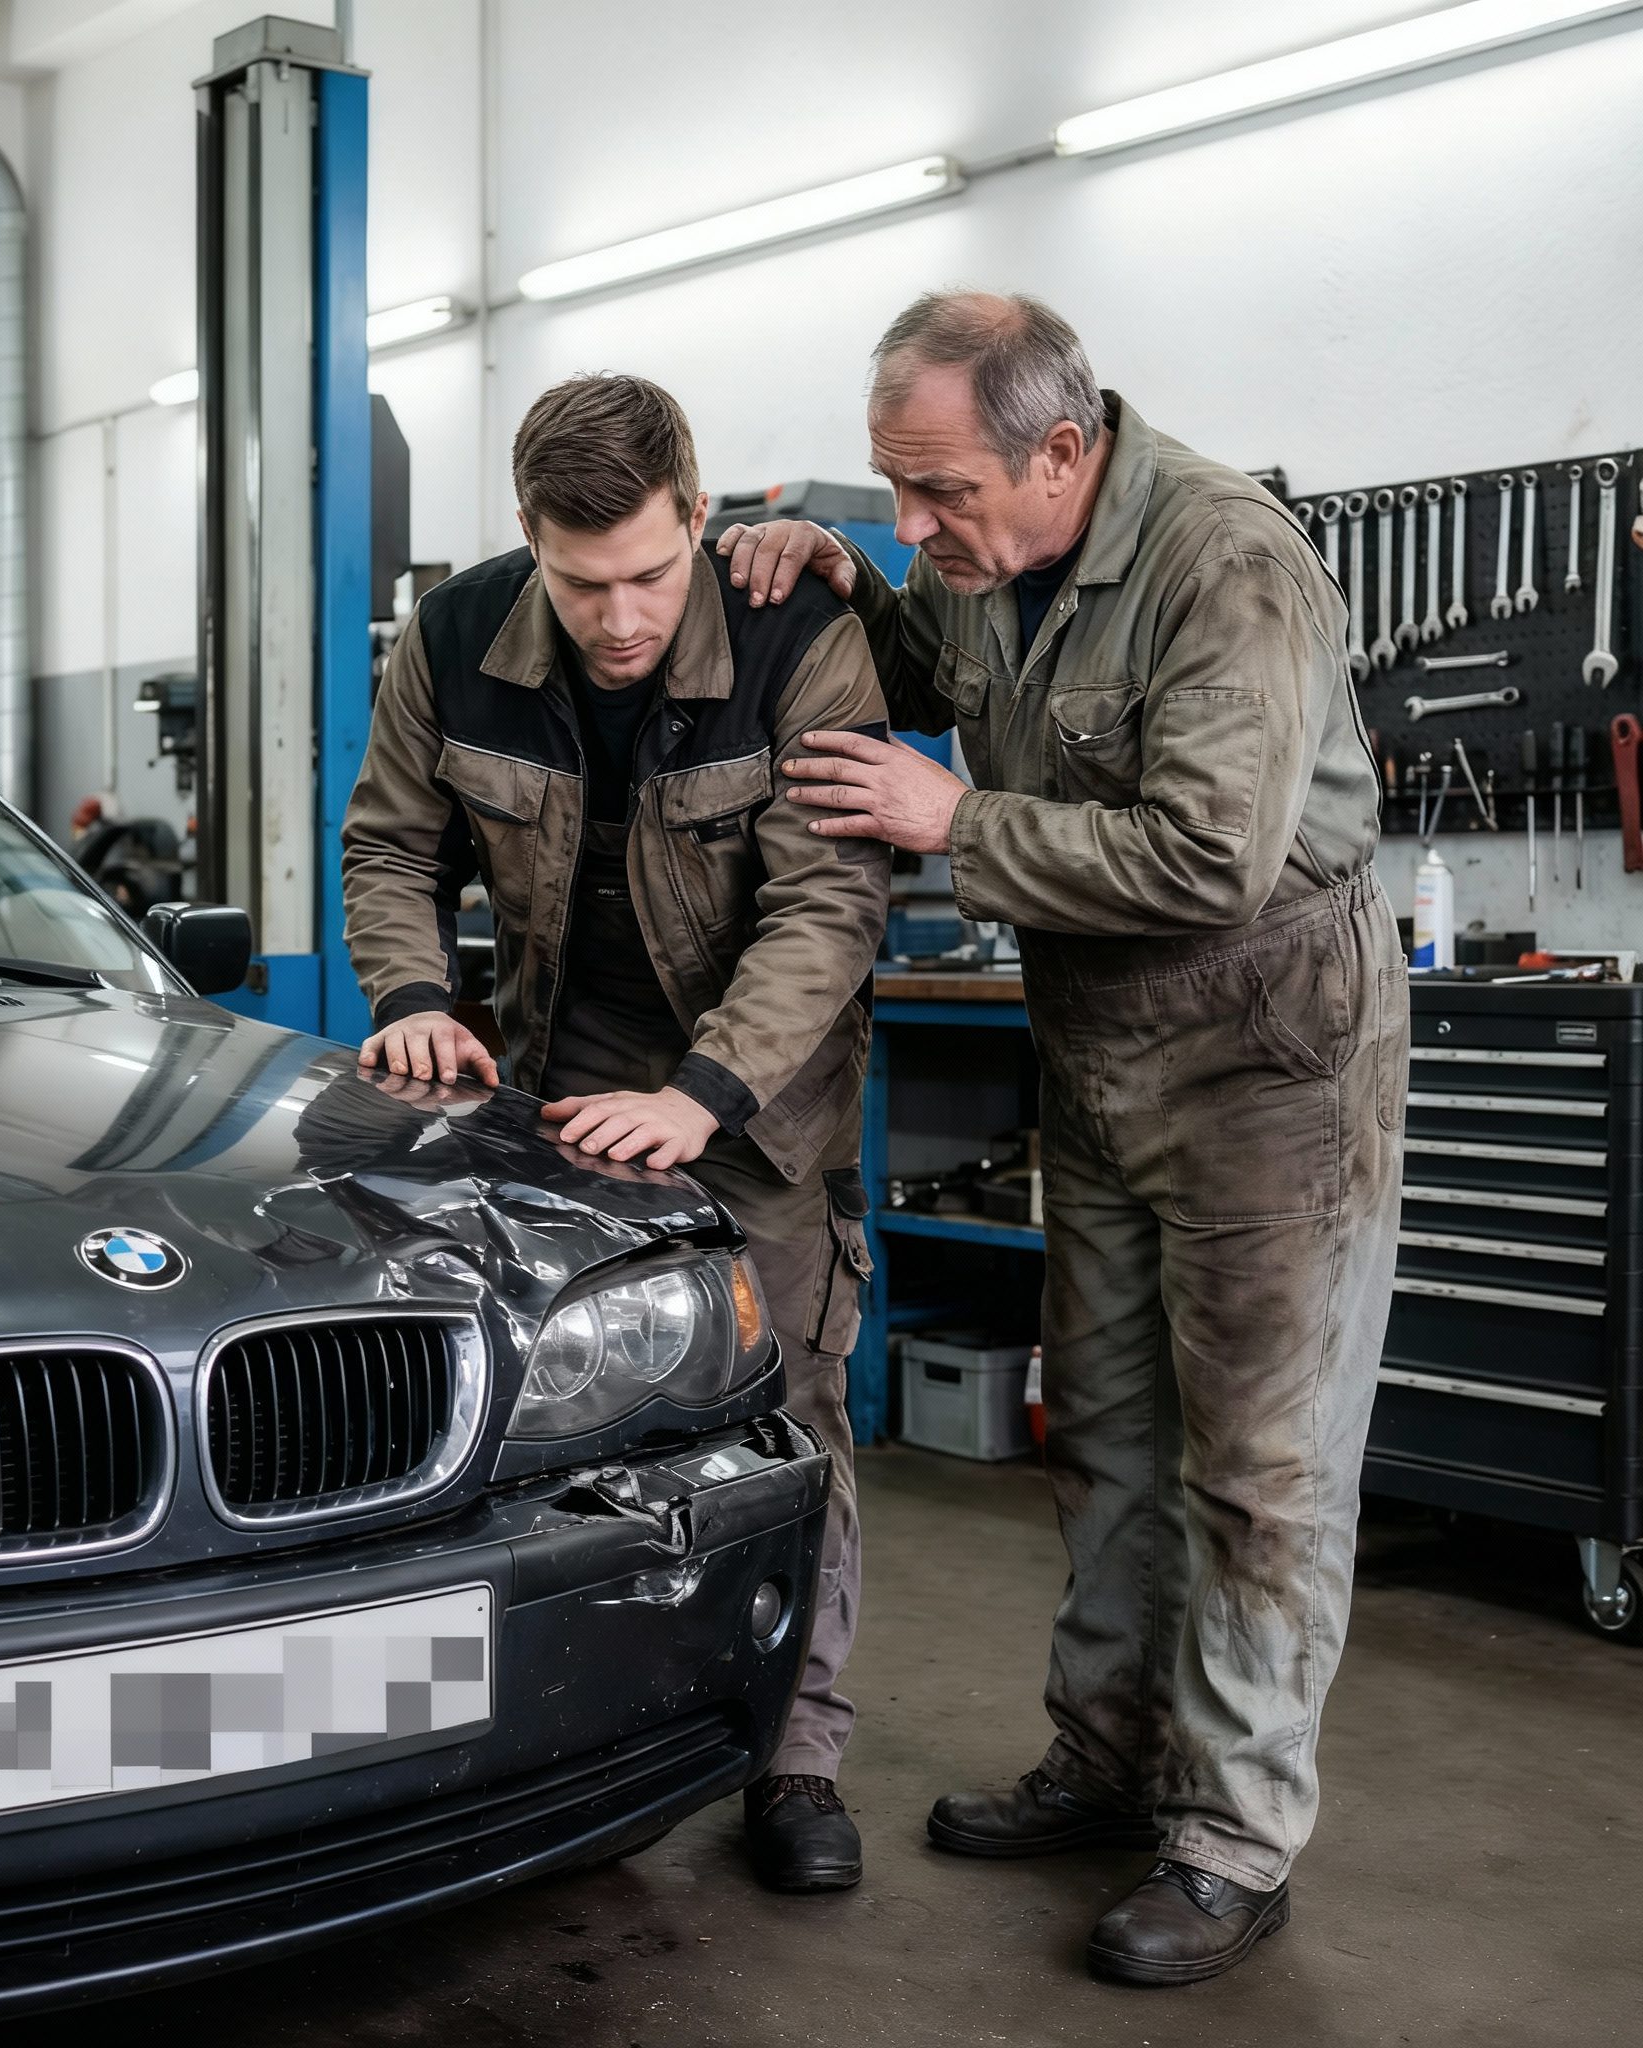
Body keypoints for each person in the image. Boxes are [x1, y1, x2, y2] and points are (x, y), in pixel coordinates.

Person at [720, 291, 1406, 1986]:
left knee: (1258, 1468)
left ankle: (1235, 1838)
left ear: (1064, 450)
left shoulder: (1225, 567)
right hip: (1101, 1049)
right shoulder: (990, 561)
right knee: (1098, 1427)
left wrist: (959, 821)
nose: (919, 525)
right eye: (895, 490)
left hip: (1270, 1055)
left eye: (938, 492)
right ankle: (1111, 1763)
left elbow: (1211, 860)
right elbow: (936, 662)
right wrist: (840, 572)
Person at [340, 373, 891, 1892]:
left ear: (699, 519)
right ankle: (548, 1739)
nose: (624, 616)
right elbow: (392, 840)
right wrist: (409, 993)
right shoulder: (456, 639)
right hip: (539, 1109)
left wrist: (700, 1094)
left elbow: (828, 904)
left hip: (754, 1111)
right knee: (531, 1439)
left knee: (789, 1424)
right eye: (584, 586)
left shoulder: (796, 636)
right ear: (528, 540)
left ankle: (797, 1759)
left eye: (652, 573)